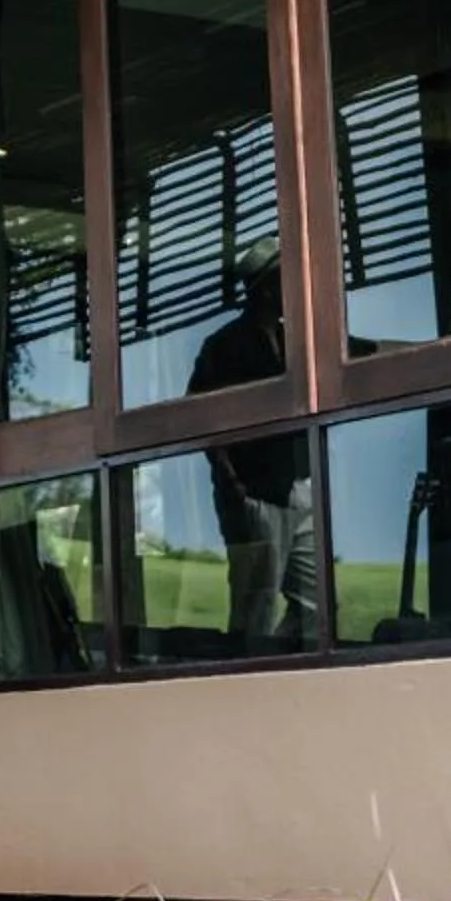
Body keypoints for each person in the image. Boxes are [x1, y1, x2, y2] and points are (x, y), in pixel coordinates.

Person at [188, 235, 316, 648]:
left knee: (317, 608)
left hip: (300, 488)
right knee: (255, 608)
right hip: (256, 495)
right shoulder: (224, 346)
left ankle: (287, 675)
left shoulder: (296, 339)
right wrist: (233, 484)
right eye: (284, 281)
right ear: (264, 288)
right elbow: (199, 418)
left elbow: (357, 353)